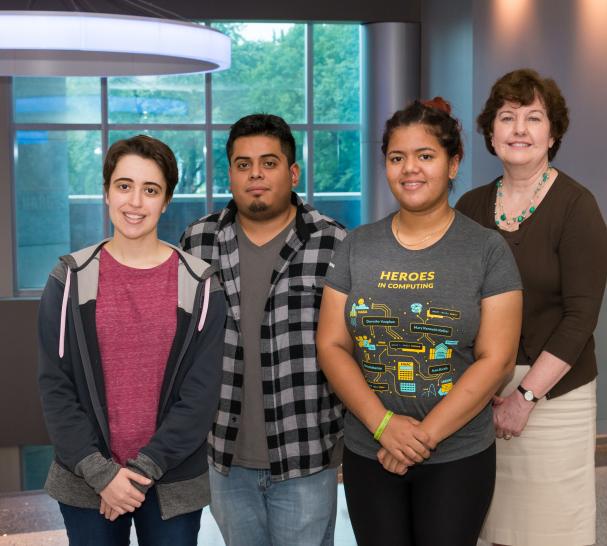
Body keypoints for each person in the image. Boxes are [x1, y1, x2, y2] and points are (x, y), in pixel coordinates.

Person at [316, 98, 523, 546]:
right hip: (369, 449)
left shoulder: (487, 250)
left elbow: (498, 359)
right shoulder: (356, 246)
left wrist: (422, 437)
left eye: (425, 156)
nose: (410, 169)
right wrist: (384, 426)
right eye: (397, 158)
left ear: (453, 164)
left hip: (457, 454)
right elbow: (331, 345)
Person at [37, 135, 226, 546]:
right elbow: (56, 386)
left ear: (166, 200)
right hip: (86, 481)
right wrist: (103, 474)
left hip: (172, 481)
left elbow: (200, 395)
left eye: (150, 189)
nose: (135, 202)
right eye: (124, 186)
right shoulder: (69, 278)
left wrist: (138, 473)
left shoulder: (200, 285)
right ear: (106, 192)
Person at [456, 69, 607, 546]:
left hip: (555, 396)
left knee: (553, 531)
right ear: (490, 131)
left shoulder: (576, 207)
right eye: (507, 117)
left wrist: (525, 398)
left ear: (553, 133)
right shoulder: (471, 207)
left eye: (533, 118)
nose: (519, 129)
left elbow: (580, 318)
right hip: (484, 392)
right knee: (492, 527)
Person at [180, 113, 347, 546]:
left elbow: (355, 348)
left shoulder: (334, 243)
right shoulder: (197, 243)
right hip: (225, 457)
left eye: (269, 163)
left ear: (293, 173)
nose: (255, 174)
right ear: (230, 174)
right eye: (243, 164)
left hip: (307, 454)